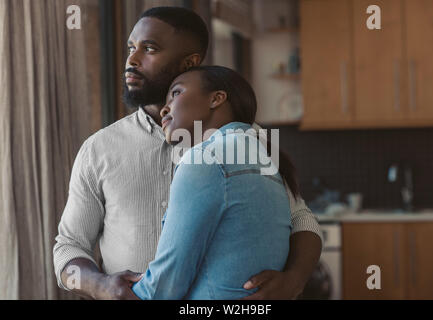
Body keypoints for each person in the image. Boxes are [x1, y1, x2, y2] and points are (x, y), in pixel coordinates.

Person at [53, 6, 322, 300]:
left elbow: (302, 220)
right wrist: (99, 285)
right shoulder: (99, 149)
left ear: (190, 62)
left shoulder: (246, 141)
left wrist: (294, 281)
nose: (131, 59)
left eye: (149, 48)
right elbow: (69, 245)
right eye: (131, 47)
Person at [132, 65, 297, 299]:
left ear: (216, 98)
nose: (164, 109)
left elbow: (163, 289)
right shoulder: (263, 157)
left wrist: (108, 290)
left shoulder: (206, 158)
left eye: (176, 93)